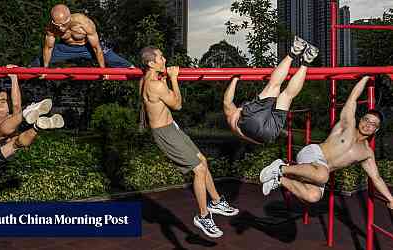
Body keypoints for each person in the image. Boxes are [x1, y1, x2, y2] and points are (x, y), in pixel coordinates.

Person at [140, 46, 239, 238]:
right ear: (151, 63)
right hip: (165, 133)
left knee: (203, 161)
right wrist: (174, 79)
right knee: (199, 169)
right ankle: (203, 216)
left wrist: (166, 77)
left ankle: (216, 201)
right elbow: (177, 105)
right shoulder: (155, 84)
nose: (165, 59)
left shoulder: (148, 79)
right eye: (161, 57)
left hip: (171, 129)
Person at [259, 76, 393, 209]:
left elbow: (376, 178)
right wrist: (366, 77)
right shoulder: (347, 126)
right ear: (361, 120)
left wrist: (391, 199)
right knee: (323, 175)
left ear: (376, 129)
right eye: (366, 120)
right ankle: (280, 168)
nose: (368, 125)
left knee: (313, 196)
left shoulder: (366, 153)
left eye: (373, 124)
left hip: (319, 171)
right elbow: (352, 99)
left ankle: (278, 180)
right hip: (313, 153)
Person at [0, 64, 65, 171]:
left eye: (3, 100)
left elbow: (16, 105)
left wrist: (14, 77)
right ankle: (27, 112)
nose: (0, 103)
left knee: (16, 143)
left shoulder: (12, 117)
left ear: (9, 104)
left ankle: (38, 126)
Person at [223, 36, 319, 144]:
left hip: (268, 135)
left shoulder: (236, 123)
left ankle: (306, 61)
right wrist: (235, 79)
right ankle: (294, 51)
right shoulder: (233, 116)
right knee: (273, 86)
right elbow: (227, 101)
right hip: (251, 122)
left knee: (287, 96)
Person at [33, 4, 132, 70]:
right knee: (39, 62)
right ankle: (24, 71)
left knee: (115, 59)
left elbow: (96, 48)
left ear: (69, 18)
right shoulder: (51, 28)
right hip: (66, 48)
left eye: (63, 25)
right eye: (57, 25)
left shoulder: (84, 23)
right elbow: (48, 48)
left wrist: (103, 70)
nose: (60, 28)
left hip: (88, 47)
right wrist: (45, 70)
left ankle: (133, 68)